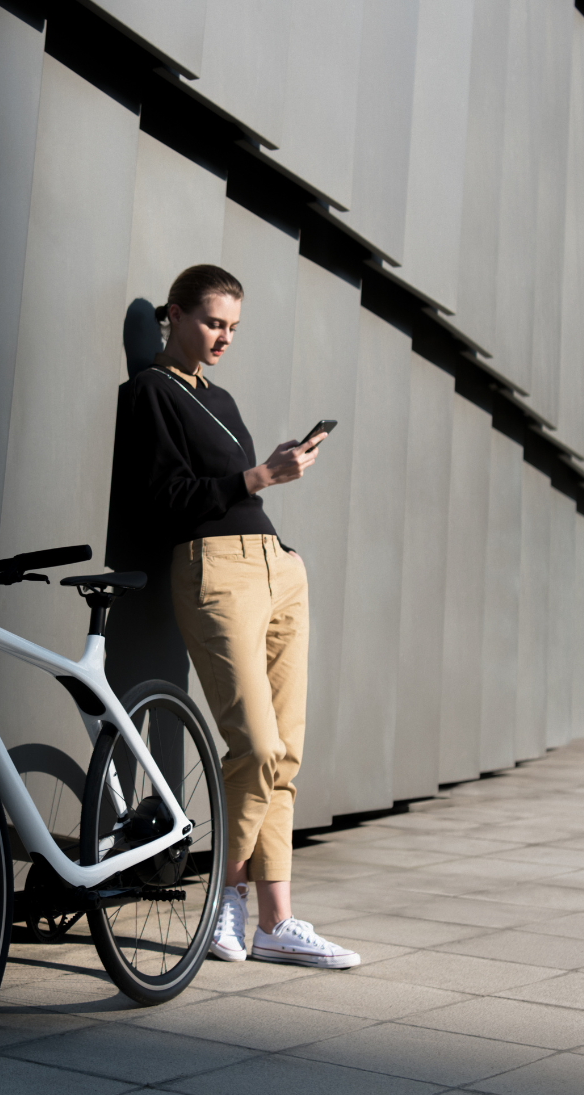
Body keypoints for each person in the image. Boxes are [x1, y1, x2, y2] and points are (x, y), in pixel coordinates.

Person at [118, 264, 359, 969]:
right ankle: (223, 896)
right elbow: (166, 501)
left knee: (285, 751)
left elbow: (231, 489)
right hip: (215, 570)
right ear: (175, 315)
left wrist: (268, 478)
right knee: (253, 746)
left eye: (233, 327)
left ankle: (276, 923)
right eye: (213, 322)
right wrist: (261, 476)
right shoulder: (150, 393)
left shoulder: (219, 396)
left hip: (279, 568)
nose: (223, 337)